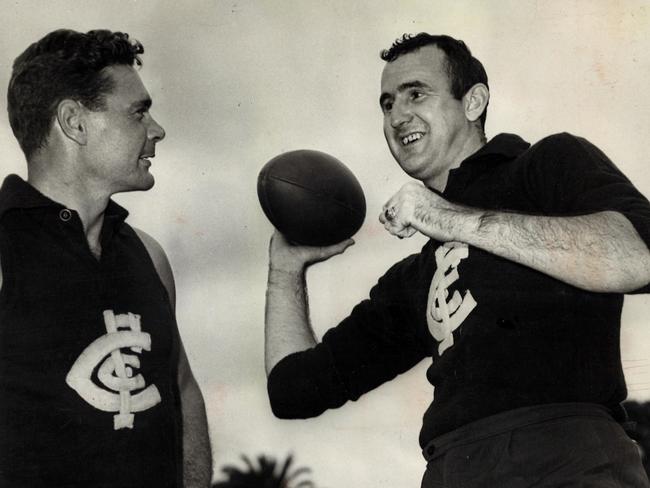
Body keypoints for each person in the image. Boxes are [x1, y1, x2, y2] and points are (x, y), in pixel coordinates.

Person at [264, 33, 650, 487]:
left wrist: (445, 217)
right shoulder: (419, 277)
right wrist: (284, 271)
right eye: (387, 104)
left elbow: (635, 257)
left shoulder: (547, 166)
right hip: (452, 468)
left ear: (473, 102)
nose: (397, 116)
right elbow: (293, 390)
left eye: (416, 94)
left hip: (565, 462)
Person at [0, 29, 211, 487]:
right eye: (138, 113)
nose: (157, 130)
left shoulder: (148, 255)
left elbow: (181, 388)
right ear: (74, 122)